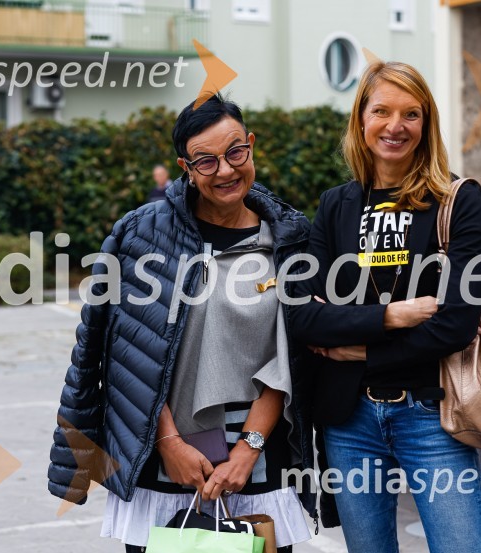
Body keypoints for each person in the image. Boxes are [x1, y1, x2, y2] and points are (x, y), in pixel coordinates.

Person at [48, 94, 316, 553]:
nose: (226, 170)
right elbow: (123, 351)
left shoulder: (290, 240)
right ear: (185, 167)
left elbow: (291, 354)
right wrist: (168, 442)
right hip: (165, 448)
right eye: (205, 161)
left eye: (235, 152)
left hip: (257, 447)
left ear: (251, 145)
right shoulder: (143, 235)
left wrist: (248, 449)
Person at [289, 60, 481, 553]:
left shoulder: (456, 201)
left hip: (431, 414)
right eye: (382, 111)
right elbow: (301, 315)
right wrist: (391, 316)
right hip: (350, 421)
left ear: (427, 124)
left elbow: (457, 324)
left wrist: (359, 351)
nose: (395, 127)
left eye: (411, 114)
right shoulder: (336, 205)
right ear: (361, 118)